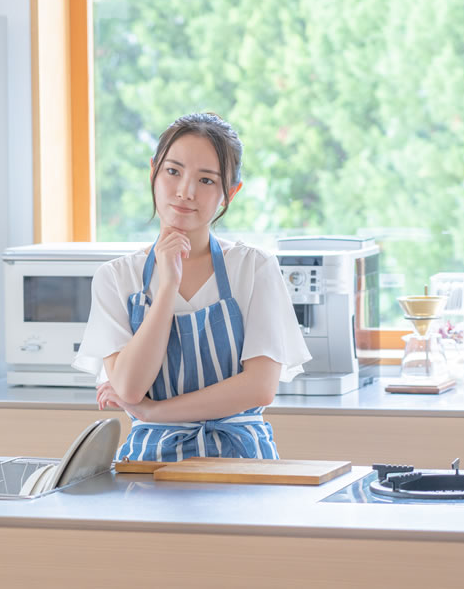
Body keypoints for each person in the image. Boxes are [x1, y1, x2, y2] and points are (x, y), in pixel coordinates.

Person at [72, 112, 311, 461]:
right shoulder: (116, 277)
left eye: (207, 180)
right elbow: (129, 386)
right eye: (173, 171)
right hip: (149, 467)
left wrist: (154, 412)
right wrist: (168, 286)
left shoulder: (254, 267)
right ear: (153, 171)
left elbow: (260, 387)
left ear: (230, 193)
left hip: (243, 465)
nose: (186, 192)